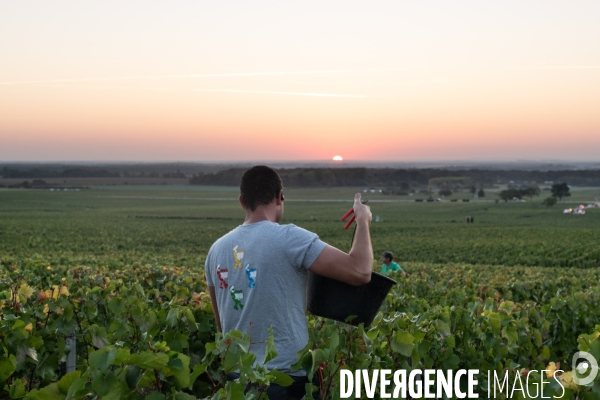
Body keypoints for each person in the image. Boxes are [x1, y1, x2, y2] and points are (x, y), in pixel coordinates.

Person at [205, 165, 373, 399]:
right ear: (279, 196)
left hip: (238, 383)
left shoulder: (215, 251)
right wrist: (363, 220)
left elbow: (222, 326)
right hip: (287, 383)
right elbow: (360, 271)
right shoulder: (291, 238)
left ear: (242, 201)